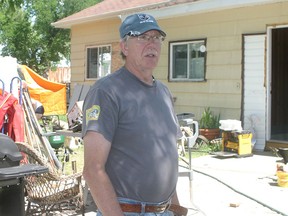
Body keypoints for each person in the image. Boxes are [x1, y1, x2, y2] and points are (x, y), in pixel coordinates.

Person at [82, 13, 185, 216]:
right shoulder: (107, 92)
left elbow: (166, 159)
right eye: (142, 37)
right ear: (124, 47)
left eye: (156, 37)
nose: (151, 44)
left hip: (164, 210)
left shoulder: (163, 92)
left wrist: (176, 209)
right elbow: (93, 170)